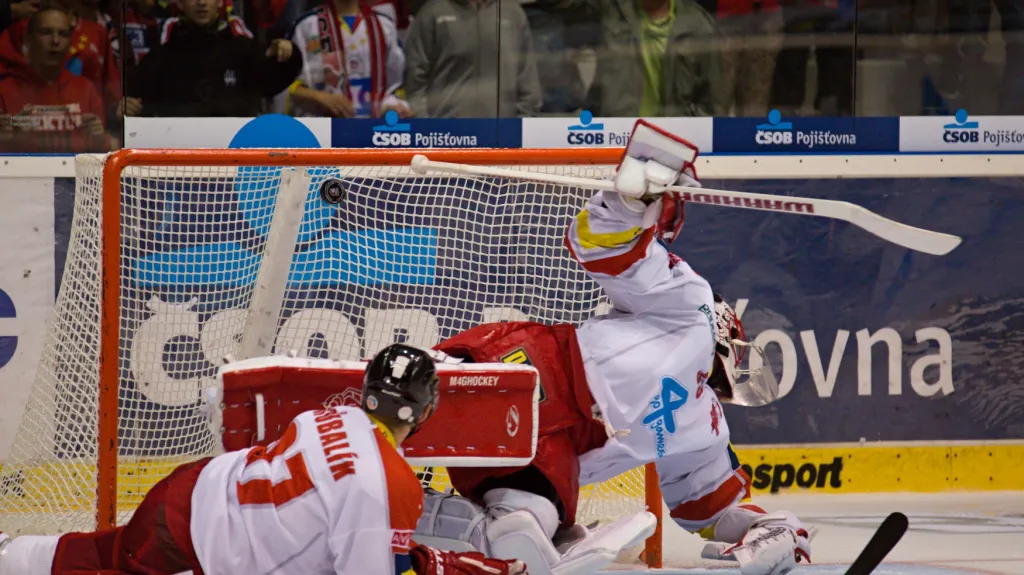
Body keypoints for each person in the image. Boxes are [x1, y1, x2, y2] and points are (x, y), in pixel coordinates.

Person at [414, 121, 811, 575]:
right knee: (414, 406)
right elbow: (604, 249)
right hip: (537, 372)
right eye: (737, 351)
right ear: (725, 326)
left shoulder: (705, 430)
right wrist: (632, 204)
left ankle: (399, 510)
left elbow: (711, 509)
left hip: (555, 452)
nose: (736, 370)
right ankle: (367, 411)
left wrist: (772, 528)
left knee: (520, 536)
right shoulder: (692, 306)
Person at [0, 344, 525, 575]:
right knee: (104, 567)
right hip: (196, 544)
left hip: (189, 490)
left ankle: (8, 552)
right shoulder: (389, 485)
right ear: (426, 409)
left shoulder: (333, 416)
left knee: (103, 554)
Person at [125, 0, 301, 117]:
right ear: (180, 3)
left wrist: (288, 54)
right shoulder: (160, 58)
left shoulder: (244, 50)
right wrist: (121, 109)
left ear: (220, 2)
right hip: (179, 163)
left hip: (236, 160)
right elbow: (134, 102)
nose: (201, 3)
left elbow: (274, 82)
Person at [402, 0, 541, 118]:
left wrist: (517, 129)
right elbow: (414, 83)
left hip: (501, 138)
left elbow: (528, 84)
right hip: (446, 137)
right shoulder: (433, 13)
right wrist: (428, 129)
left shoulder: (513, 14)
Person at [273, 0, 409, 119]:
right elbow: (282, 87)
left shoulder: (383, 27)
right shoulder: (307, 26)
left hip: (371, 133)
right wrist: (317, 96)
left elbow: (394, 86)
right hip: (322, 132)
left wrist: (393, 107)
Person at [0, 4, 109, 152]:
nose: (55, 40)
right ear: (28, 39)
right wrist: (7, 141)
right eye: (46, 32)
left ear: (70, 42)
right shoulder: (4, 90)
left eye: (63, 34)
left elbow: (102, 151)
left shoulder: (86, 89)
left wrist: (99, 140)